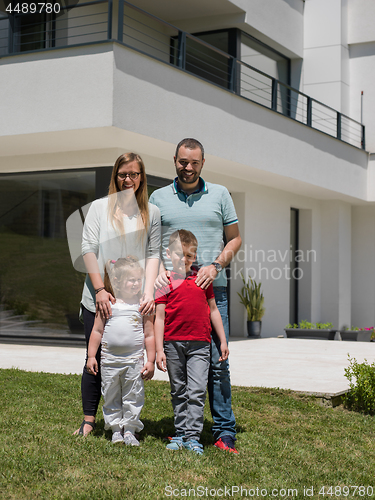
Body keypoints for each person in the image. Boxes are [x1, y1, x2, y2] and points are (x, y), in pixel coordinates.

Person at [149, 138, 242, 453]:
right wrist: (159, 270)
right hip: (172, 294)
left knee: (217, 363)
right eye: (182, 162)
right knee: (176, 363)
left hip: (212, 292)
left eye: (194, 163)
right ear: (174, 159)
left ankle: (223, 431)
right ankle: (184, 430)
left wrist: (215, 266)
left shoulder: (220, 194)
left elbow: (235, 239)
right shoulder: (158, 197)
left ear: (203, 163)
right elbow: (150, 244)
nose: (187, 168)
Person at [74, 152, 160, 436]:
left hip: (134, 302)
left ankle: (126, 422)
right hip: (100, 299)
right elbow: (87, 248)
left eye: (134, 174)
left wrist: (148, 294)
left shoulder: (152, 212)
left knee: (131, 364)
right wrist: (99, 289)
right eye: (123, 174)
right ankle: (89, 421)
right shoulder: (99, 208)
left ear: (141, 177)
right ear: (115, 176)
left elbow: (153, 253)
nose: (128, 179)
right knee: (94, 358)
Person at [154, 230, 229, 455]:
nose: (183, 259)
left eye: (189, 255)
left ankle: (193, 437)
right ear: (169, 254)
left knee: (196, 391)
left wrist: (223, 341)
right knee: (178, 390)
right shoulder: (165, 281)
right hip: (173, 344)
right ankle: (179, 434)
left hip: (200, 345)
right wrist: (159, 350)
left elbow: (214, 311)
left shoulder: (203, 279)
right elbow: (159, 317)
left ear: (195, 257)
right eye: (179, 254)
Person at [87, 257, 155, 445]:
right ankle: (116, 429)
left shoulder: (143, 305)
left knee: (133, 396)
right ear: (117, 281)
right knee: (111, 394)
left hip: (134, 361)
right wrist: (92, 356)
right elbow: (97, 331)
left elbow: (149, 335)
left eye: (138, 279)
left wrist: (150, 361)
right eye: (130, 280)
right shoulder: (108, 304)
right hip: (109, 360)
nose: (135, 284)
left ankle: (130, 430)